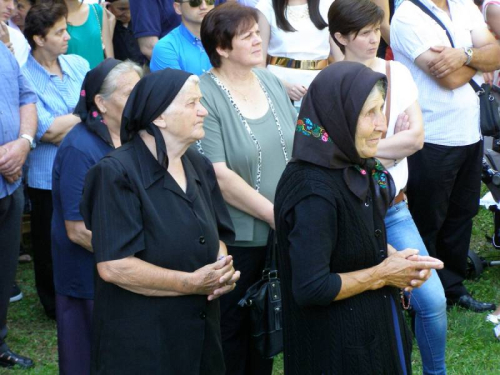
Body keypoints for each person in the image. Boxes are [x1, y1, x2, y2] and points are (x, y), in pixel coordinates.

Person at [274, 61, 444, 375]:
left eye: (382, 109)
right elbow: (311, 288)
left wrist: (399, 262)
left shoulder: (356, 169)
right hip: (336, 351)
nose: (382, 125)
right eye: (370, 113)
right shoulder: (312, 190)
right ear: (338, 115)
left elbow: (355, 243)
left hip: (373, 332)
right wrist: (383, 274)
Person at [80, 68, 239, 375]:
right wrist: (190, 283)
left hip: (200, 332)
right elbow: (114, 266)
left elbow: (216, 234)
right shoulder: (116, 173)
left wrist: (221, 267)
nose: (203, 111)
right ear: (159, 117)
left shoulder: (198, 164)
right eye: (192, 103)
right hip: (143, 342)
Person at [328, 1, 447, 373]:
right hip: (346, 213)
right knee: (364, 307)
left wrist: (360, 153)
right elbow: (323, 152)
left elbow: (415, 140)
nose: (373, 40)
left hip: (393, 207)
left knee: (433, 300)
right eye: (363, 33)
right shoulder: (327, 84)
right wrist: (385, 153)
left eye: (376, 30)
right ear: (340, 37)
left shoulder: (396, 73)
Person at [198, 3, 296, 374]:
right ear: (222, 48)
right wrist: (275, 216)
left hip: (283, 228)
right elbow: (218, 175)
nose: (259, 39)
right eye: (247, 35)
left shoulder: (270, 80)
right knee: (234, 334)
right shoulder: (205, 93)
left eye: (258, 32)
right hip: (238, 237)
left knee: (269, 328)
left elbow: (302, 134)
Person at [391, 0, 500, 312]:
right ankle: (420, 294)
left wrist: (463, 55)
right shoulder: (408, 16)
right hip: (431, 134)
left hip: (470, 131)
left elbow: (497, 54)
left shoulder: (464, 5)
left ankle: (452, 287)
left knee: (462, 214)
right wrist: (481, 60)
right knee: (428, 218)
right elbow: (447, 79)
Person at [52, 59, 142, 375]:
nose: (139, 99)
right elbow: (76, 230)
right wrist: (137, 258)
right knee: (87, 359)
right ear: (101, 103)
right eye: (130, 92)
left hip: (122, 268)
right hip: (87, 277)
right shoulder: (80, 147)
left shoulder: (135, 137)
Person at [22, 2, 89, 319]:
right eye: (60, 32)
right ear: (39, 38)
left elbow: (98, 111)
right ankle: (53, 302)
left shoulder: (77, 63)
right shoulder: (24, 75)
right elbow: (44, 130)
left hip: (85, 169)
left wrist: (69, 121)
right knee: (50, 242)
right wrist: (84, 116)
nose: (67, 37)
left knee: (86, 231)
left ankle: (85, 289)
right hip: (45, 174)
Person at [0, 42, 37, 370]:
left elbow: (27, 97)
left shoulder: (3, 50)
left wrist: (24, 142)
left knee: (3, 269)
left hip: (9, 184)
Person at [256, 0, 342, 108]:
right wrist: (282, 85)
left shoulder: (328, 5)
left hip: (320, 89)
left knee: (314, 125)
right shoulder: (266, 7)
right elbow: (258, 62)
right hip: (278, 90)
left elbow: (341, 59)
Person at [150, 0, 214, 75]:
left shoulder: (227, 39)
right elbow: (177, 86)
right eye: (195, 2)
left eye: (209, 1)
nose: (204, 6)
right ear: (178, 8)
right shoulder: (166, 47)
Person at [65, 0, 114, 68]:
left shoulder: (97, 10)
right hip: (72, 76)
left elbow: (110, 59)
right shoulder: (54, 18)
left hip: (99, 76)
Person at [106, 0, 145, 64]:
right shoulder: (103, 26)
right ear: (108, 7)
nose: (128, 15)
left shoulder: (139, 21)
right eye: (122, 9)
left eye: (132, 8)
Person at [1, 0, 30, 66]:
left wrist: (6, 57)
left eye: (15, 2)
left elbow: (17, 75)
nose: (12, 7)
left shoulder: (18, 39)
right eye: (6, 0)